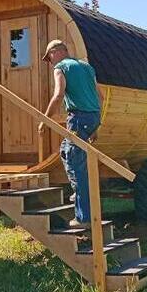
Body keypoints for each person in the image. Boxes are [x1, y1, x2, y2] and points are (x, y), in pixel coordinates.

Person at [38, 40, 104, 229]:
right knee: (66, 152)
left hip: (78, 118)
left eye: (49, 57)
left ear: (56, 52)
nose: (50, 62)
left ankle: (83, 218)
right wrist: (96, 126)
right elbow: (101, 97)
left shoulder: (61, 67)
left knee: (76, 165)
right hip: (92, 118)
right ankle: (78, 192)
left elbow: (58, 95)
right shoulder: (86, 66)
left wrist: (44, 120)